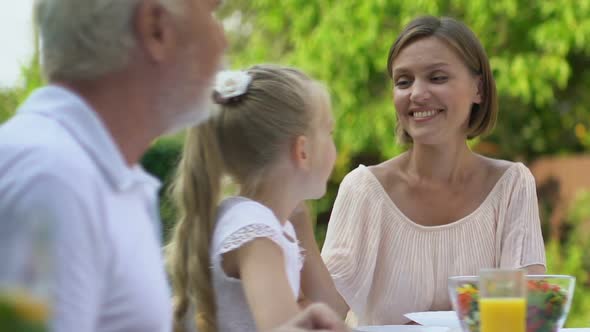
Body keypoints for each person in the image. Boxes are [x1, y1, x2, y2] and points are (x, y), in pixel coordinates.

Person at [0, 1, 348, 331]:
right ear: (156, 28)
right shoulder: (49, 177)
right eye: (212, 12)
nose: (224, 39)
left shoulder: (107, 179)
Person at [316, 16, 547, 325]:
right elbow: (320, 313)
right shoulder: (363, 190)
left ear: (478, 88)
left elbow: (524, 318)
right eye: (403, 81)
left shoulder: (512, 186)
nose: (417, 93)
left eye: (437, 78)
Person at [166, 65, 348, 332]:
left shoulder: (258, 221)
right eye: (329, 133)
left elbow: (331, 312)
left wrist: (300, 226)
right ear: (303, 151)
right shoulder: (254, 231)